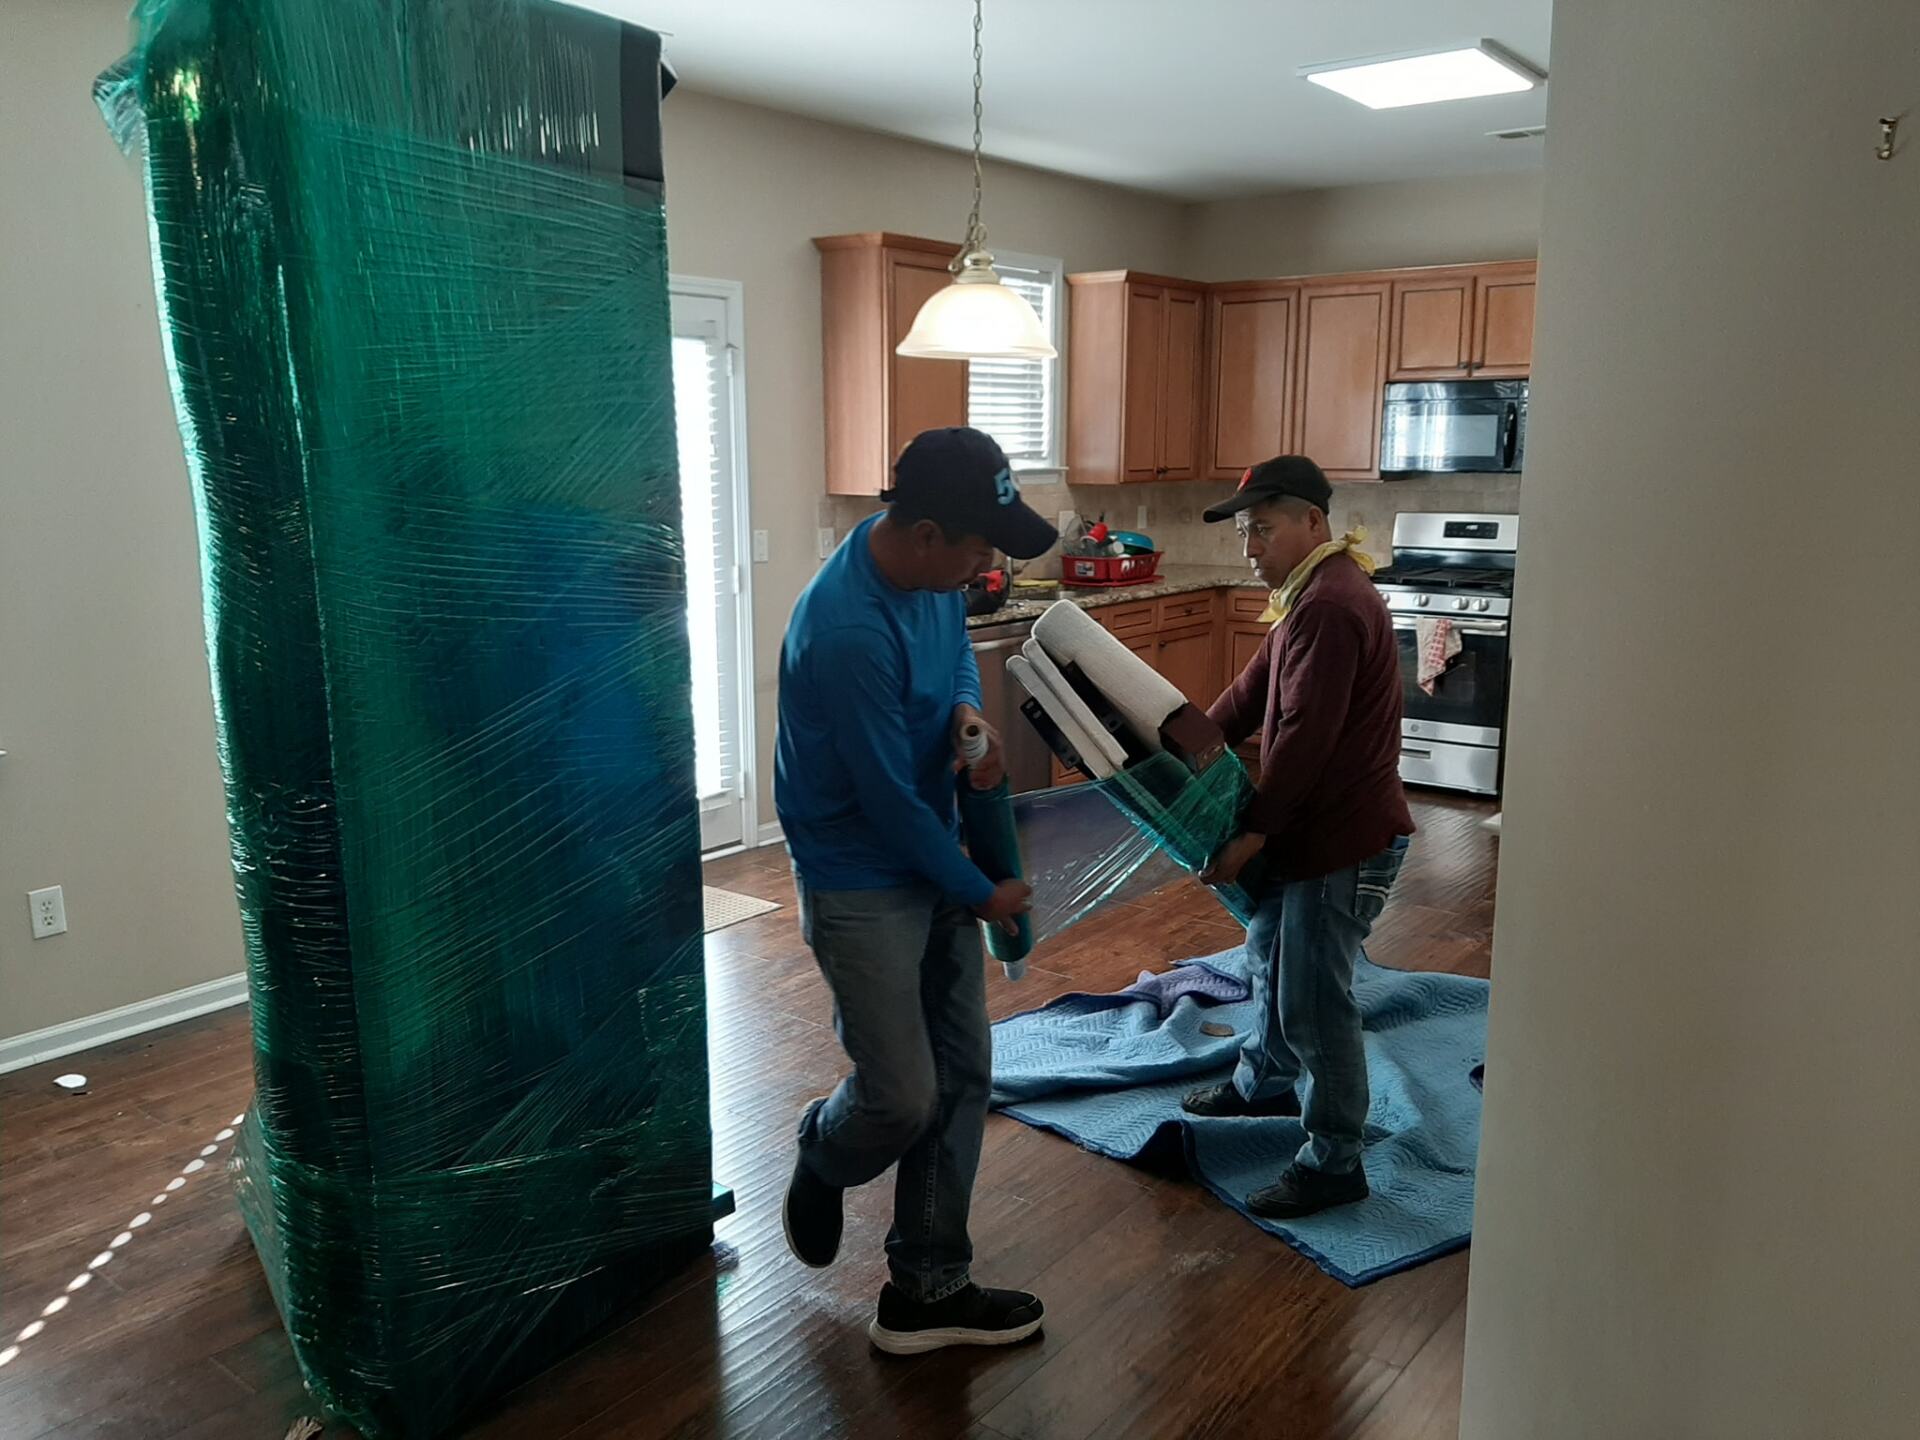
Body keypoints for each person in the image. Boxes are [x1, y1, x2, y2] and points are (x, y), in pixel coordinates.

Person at [774, 426, 1058, 1355]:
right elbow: (884, 802)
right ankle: (825, 1149)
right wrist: (981, 890)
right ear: (928, 532)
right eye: (979, 546)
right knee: (900, 1097)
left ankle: (928, 1286)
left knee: (965, 1073)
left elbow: (944, 677)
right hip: (862, 876)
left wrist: (969, 715)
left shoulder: (934, 585)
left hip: (930, 847)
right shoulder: (846, 626)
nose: (987, 566)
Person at [1182, 455, 1416, 1220]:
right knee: (1267, 956)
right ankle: (1263, 1087)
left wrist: (1251, 834)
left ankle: (1333, 1162)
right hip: (1313, 831)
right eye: (1245, 531)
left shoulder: (1330, 605)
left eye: (1262, 527)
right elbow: (1252, 695)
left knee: (1314, 1000)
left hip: (1342, 842)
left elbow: (1304, 742)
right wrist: (1186, 751)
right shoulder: (1309, 591)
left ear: (1311, 522)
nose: (1250, 546)